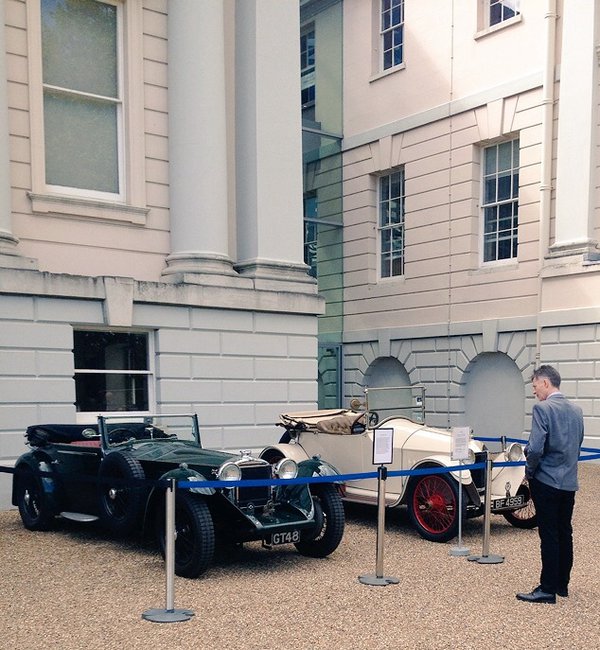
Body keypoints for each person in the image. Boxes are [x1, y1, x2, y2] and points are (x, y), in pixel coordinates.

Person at [516, 365, 584, 604]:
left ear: (545, 383)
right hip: (569, 481)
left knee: (549, 534)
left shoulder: (542, 409)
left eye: (535, 386)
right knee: (565, 532)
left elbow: (535, 448)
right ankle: (562, 585)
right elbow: (578, 443)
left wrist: (530, 471)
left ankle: (547, 588)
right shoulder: (577, 410)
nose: (534, 391)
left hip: (546, 480)